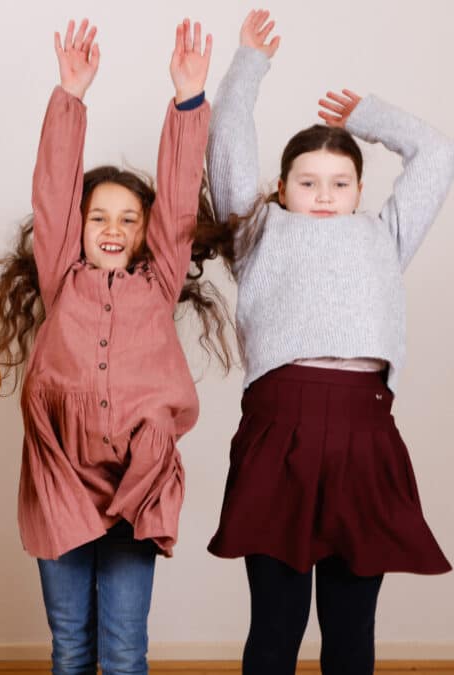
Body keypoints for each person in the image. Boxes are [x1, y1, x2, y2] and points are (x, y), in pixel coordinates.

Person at [206, 9, 454, 674]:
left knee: (350, 626)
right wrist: (247, 66)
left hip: (362, 433)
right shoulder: (258, 232)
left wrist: (369, 115)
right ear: (281, 189)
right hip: (277, 430)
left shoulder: (385, 233)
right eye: (307, 182)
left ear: (360, 190)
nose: (323, 194)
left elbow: (439, 152)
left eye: (340, 183)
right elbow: (227, 147)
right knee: (276, 624)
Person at [0, 18, 228, 675]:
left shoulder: (159, 281)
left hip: (138, 485)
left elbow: (179, 202)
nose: (114, 228)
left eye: (129, 218)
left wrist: (187, 100)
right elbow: (54, 191)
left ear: (148, 233)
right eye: (98, 216)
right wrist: (70, 96)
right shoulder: (60, 277)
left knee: (124, 649)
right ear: (78, 229)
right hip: (61, 481)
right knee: (70, 646)